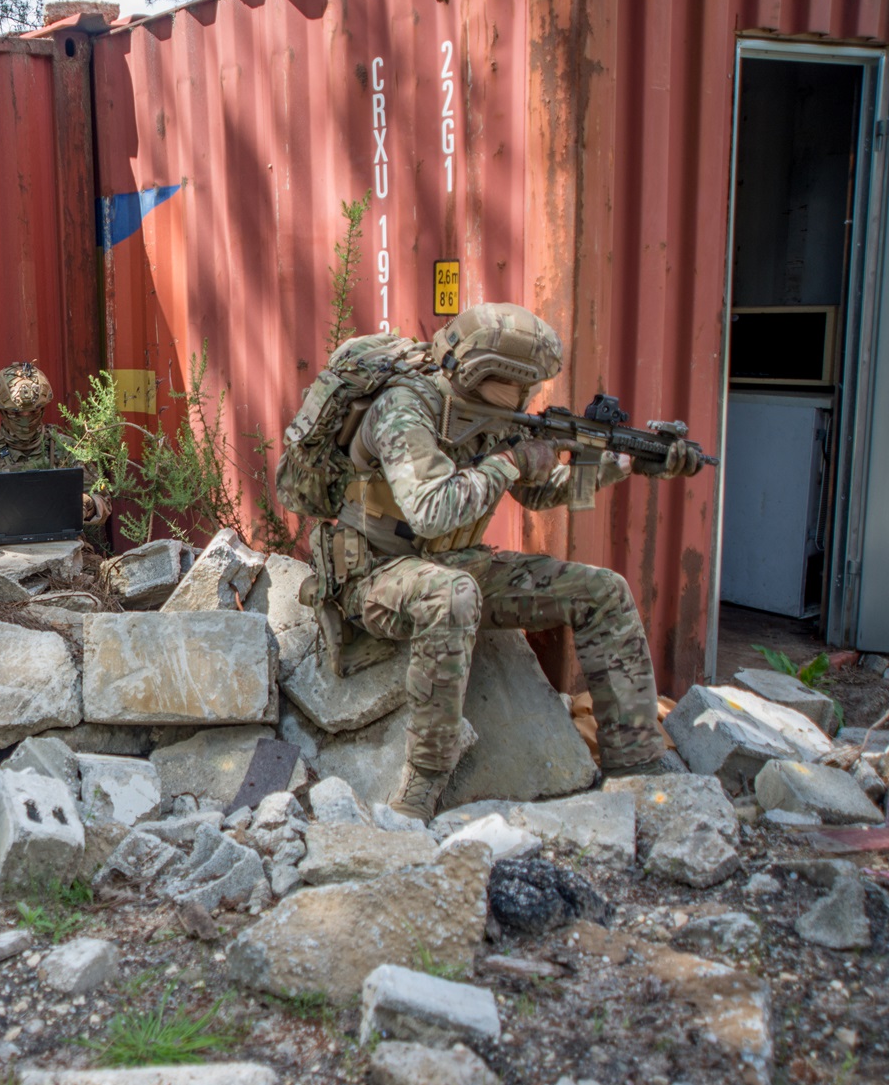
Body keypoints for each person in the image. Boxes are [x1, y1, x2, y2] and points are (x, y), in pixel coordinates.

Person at [290, 304, 703, 821]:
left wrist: (626, 464)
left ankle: (636, 761)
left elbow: (540, 494)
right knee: (452, 595)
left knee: (604, 590)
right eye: (522, 384)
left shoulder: (492, 416)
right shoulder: (404, 408)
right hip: (374, 573)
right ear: (486, 373)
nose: (530, 397)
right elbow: (432, 510)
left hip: (456, 561)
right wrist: (508, 464)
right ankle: (423, 785)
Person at [0, 361, 111, 539]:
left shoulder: (64, 448)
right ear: (1, 411)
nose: (25, 420)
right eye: (16, 414)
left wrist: (87, 504)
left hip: (61, 545)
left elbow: (103, 499)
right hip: (3, 550)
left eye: (33, 412)